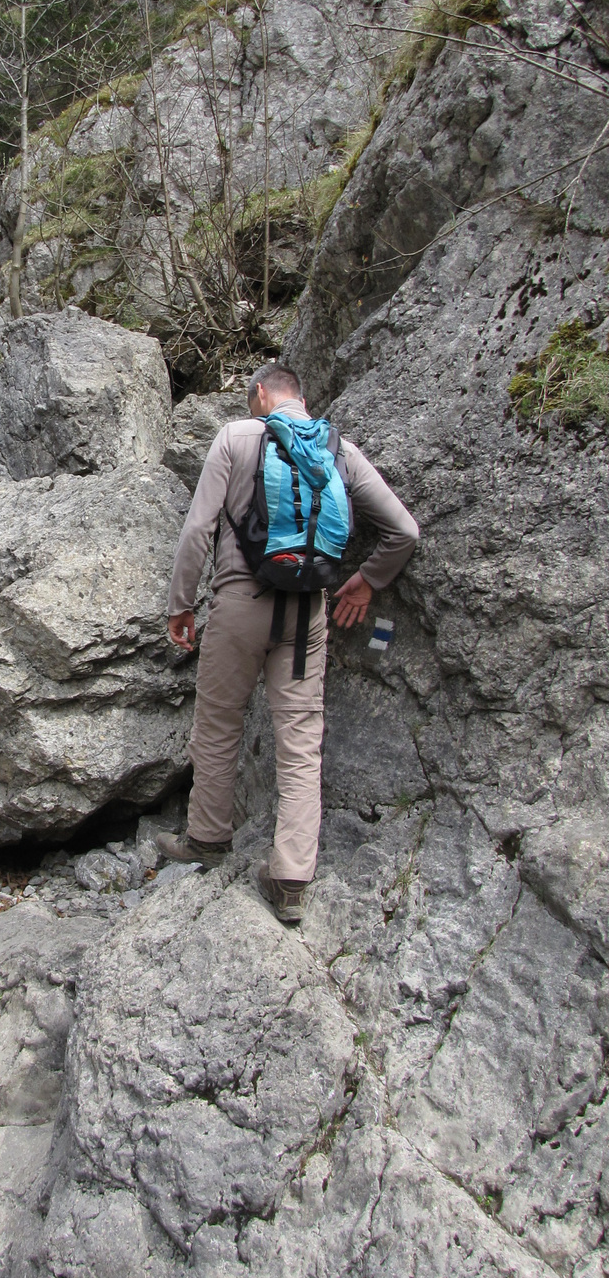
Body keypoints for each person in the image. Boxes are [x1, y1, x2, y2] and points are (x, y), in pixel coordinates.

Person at [162, 362, 419, 923]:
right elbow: (404, 530)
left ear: (259, 394)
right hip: (308, 612)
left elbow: (197, 530)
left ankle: (207, 837)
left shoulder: (235, 437)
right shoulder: (337, 447)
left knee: (219, 722)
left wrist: (180, 603)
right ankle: (291, 879)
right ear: (301, 398)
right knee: (301, 740)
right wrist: (367, 580)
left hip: (239, 604)